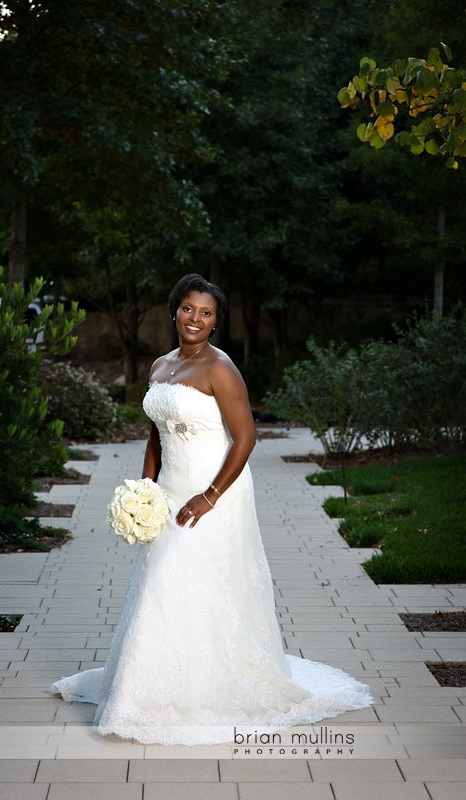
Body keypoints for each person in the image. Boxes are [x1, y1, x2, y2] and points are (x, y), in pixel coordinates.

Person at [49, 273, 372, 745]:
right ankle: (150, 683)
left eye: (206, 314)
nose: (195, 319)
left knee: (187, 576)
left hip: (216, 490)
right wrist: (145, 487)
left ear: (216, 323)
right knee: (160, 579)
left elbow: (245, 438)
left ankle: (203, 690)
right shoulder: (162, 366)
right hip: (171, 488)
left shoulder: (220, 369)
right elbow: (156, 433)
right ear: (174, 310)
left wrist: (210, 495)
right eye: (188, 309)